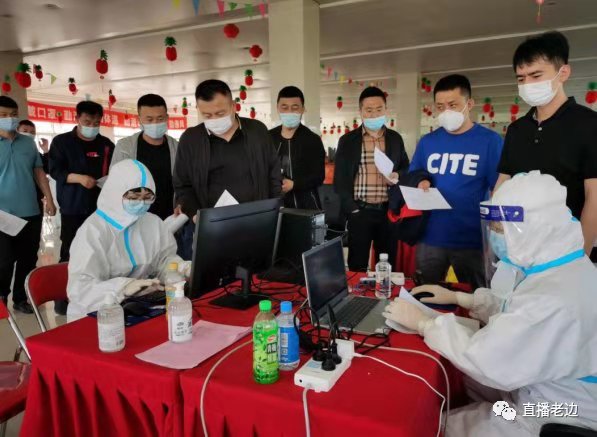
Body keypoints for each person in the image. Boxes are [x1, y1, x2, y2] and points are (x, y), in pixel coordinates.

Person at [384, 171, 597, 437]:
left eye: (499, 229)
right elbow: (519, 310)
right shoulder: (565, 268)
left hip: (552, 415)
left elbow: (485, 360)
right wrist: (463, 299)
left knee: (438, 425)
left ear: (530, 229)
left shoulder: (552, 299)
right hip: (547, 388)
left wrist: (425, 324)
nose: (496, 236)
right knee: (461, 382)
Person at [496, 31, 597, 256]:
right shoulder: (517, 129)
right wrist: (496, 226)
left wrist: (579, 255)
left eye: (536, 75)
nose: (527, 84)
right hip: (519, 248)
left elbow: (594, 196)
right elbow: (504, 180)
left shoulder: (588, 124)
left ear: (563, 73)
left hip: (565, 248)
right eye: (521, 79)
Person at [409, 75, 503, 289]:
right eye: (440, 107)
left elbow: (500, 190)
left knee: (478, 297)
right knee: (425, 294)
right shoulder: (428, 142)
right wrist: (420, 181)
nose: (446, 112)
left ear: (469, 104)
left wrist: (496, 238)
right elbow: (414, 174)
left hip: (473, 240)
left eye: (453, 105)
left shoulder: (490, 141)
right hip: (431, 236)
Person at [67, 159, 185, 321]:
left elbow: (164, 260)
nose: (141, 203)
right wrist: (122, 287)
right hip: (95, 313)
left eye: (148, 197)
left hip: (138, 306)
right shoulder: (93, 231)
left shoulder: (152, 222)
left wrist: (181, 268)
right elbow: (80, 289)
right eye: (134, 197)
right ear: (116, 192)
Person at [173, 79, 281, 221]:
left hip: (257, 219)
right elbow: (183, 186)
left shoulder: (257, 131)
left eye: (220, 113)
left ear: (233, 106)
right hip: (212, 223)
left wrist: (274, 210)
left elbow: (273, 174)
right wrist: (196, 215)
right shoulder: (191, 140)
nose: (214, 119)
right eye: (207, 115)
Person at [333, 86, 409, 271]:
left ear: (385, 109)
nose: (374, 114)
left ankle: (384, 290)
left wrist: (398, 175)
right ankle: (357, 291)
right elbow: (340, 179)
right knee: (357, 265)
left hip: (387, 211)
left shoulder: (395, 139)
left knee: (387, 265)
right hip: (360, 211)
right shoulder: (347, 141)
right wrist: (351, 209)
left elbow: (406, 168)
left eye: (379, 109)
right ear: (360, 111)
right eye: (369, 110)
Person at [0, 96, 57, 313]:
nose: (10, 118)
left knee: (28, 258)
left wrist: (49, 198)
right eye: (3, 115)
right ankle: (1, 297)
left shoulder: (27, 143)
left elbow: (38, 172)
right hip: (2, 215)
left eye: (13, 114)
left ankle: (21, 298)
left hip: (31, 212)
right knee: (4, 260)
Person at [49, 100, 115, 263]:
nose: (92, 126)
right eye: (87, 122)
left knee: (99, 248)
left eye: (96, 123)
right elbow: (55, 170)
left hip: (101, 207)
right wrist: (79, 178)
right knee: (71, 250)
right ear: (77, 118)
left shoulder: (106, 144)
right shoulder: (62, 142)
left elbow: (115, 169)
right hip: (73, 206)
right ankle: (67, 277)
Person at [110, 94, 179, 220]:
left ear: (167, 118)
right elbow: (114, 184)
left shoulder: (177, 147)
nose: (155, 123)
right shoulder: (125, 147)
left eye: (160, 118)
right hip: (135, 217)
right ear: (139, 119)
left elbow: (185, 182)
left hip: (170, 217)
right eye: (149, 119)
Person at [269, 86, 325, 209]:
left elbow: (319, 176)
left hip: (307, 206)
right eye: (284, 108)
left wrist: (294, 184)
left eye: (295, 108)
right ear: (277, 108)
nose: (289, 112)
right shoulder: (269, 137)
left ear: (303, 109)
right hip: (275, 206)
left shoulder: (312, 140)